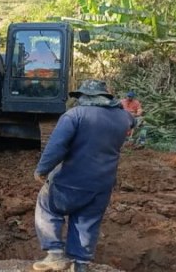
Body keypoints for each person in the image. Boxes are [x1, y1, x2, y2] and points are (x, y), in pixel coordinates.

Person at [32, 79, 135, 272]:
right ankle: (80, 265)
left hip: (71, 181)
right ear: (105, 97)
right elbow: (133, 121)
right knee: (87, 221)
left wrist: (42, 169)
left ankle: (54, 255)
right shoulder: (123, 117)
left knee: (47, 205)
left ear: (85, 97)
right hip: (102, 185)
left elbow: (56, 147)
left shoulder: (74, 115)